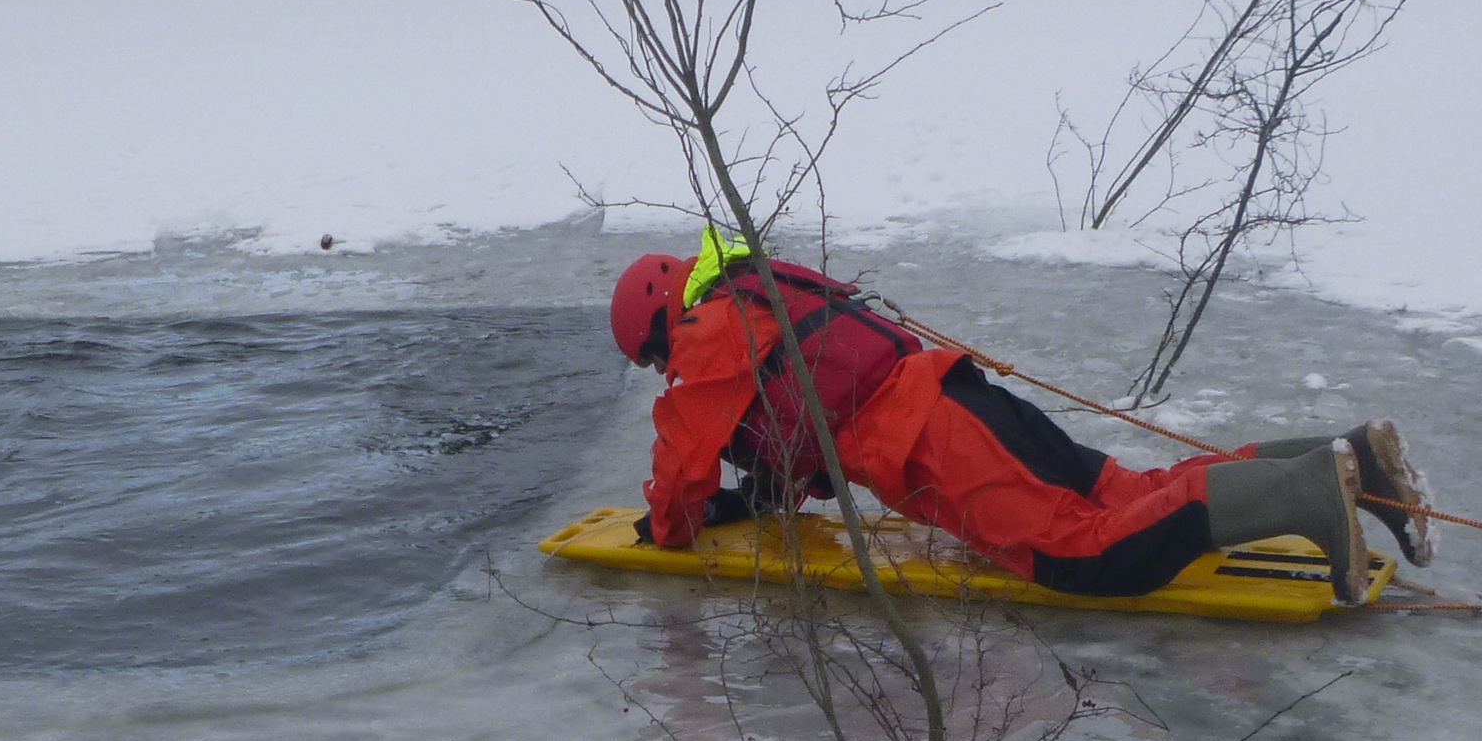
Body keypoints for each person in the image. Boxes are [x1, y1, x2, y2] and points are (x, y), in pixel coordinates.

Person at [611, 236, 1434, 607]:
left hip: (930, 440)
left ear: (659, 325)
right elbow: (799, 416)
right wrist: (764, 493)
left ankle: (1311, 493)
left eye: (653, 360)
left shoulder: (707, 331)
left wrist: (672, 523)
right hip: (956, 395)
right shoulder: (755, 290)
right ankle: (1354, 459)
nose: (662, 371)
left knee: (1082, 554)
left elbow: (684, 463)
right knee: (1122, 492)